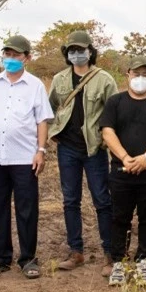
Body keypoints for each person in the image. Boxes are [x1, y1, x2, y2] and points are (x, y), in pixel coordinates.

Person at [48, 30, 118, 276]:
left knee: (102, 200)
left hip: (94, 149)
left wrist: (107, 142)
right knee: (70, 200)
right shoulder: (59, 79)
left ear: (90, 51)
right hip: (67, 148)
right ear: (67, 54)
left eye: (80, 49)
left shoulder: (105, 79)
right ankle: (75, 252)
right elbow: (52, 107)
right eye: (72, 50)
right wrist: (55, 131)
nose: (76, 54)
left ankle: (110, 254)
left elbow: (113, 114)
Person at [100, 56, 146, 287]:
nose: (140, 79)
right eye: (136, 74)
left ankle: (144, 262)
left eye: (145, 74)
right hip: (121, 170)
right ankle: (119, 263)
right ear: (128, 75)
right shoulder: (115, 102)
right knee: (119, 217)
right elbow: (107, 132)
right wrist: (125, 157)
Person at [0, 35, 53, 280]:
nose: (10, 59)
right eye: (7, 54)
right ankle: (0, 257)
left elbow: (42, 120)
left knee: (27, 210)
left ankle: (28, 259)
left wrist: (41, 151)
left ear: (27, 58)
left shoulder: (35, 86)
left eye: (16, 55)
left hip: (25, 158)